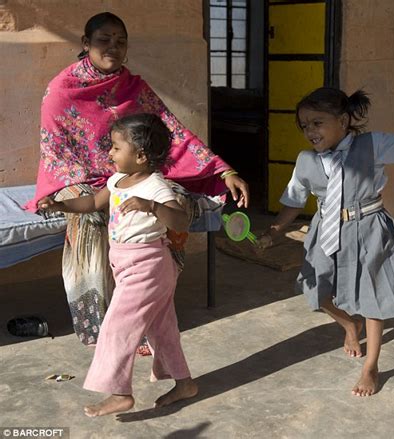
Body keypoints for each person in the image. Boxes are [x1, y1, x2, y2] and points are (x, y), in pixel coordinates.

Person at [25, 12, 249, 347]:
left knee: (171, 200)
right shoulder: (62, 89)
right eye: (104, 40)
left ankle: (149, 305)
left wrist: (222, 170)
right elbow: (57, 154)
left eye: (120, 40)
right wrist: (97, 187)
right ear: (86, 44)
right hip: (79, 174)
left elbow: (170, 131)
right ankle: (100, 324)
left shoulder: (134, 87)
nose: (113, 47)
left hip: (127, 170)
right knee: (91, 216)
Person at [256, 87, 394, 397]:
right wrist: (272, 232)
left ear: (343, 120)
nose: (310, 131)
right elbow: (293, 201)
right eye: (304, 125)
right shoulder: (305, 161)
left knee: (372, 296)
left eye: (317, 123)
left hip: (369, 228)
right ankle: (348, 325)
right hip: (326, 230)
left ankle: (371, 365)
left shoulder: (372, 145)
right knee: (316, 289)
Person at [39, 113, 199, 416]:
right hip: (126, 265)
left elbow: (182, 221)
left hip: (148, 266)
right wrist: (59, 205)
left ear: (140, 156)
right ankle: (185, 383)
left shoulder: (156, 188)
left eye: (115, 148)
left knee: (116, 326)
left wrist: (151, 206)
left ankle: (120, 392)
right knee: (162, 329)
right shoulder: (117, 180)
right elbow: (91, 204)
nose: (109, 153)